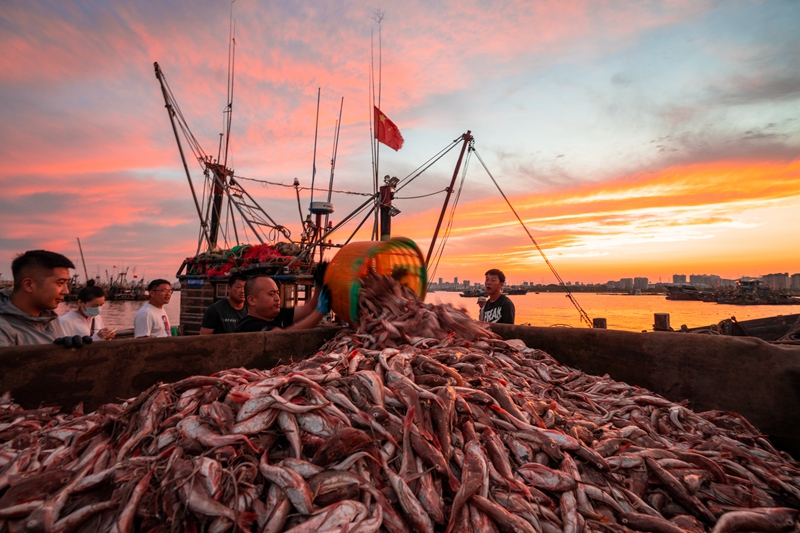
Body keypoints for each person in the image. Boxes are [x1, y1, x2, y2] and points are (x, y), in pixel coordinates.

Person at [0, 250, 75, 347]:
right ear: (29, 285)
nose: (66, 291)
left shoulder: (50, 319)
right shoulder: (4, 328)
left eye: (67, 283)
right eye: (60, 283)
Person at [235, 265, 330, 333]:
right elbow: (282, 336)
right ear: (252, 300)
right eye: (271, 294)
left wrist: (318, 286)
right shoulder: (248, 326)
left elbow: (309, 308)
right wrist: (320, 312)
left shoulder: (279, 315)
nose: (277, 298)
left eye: (277, 293)